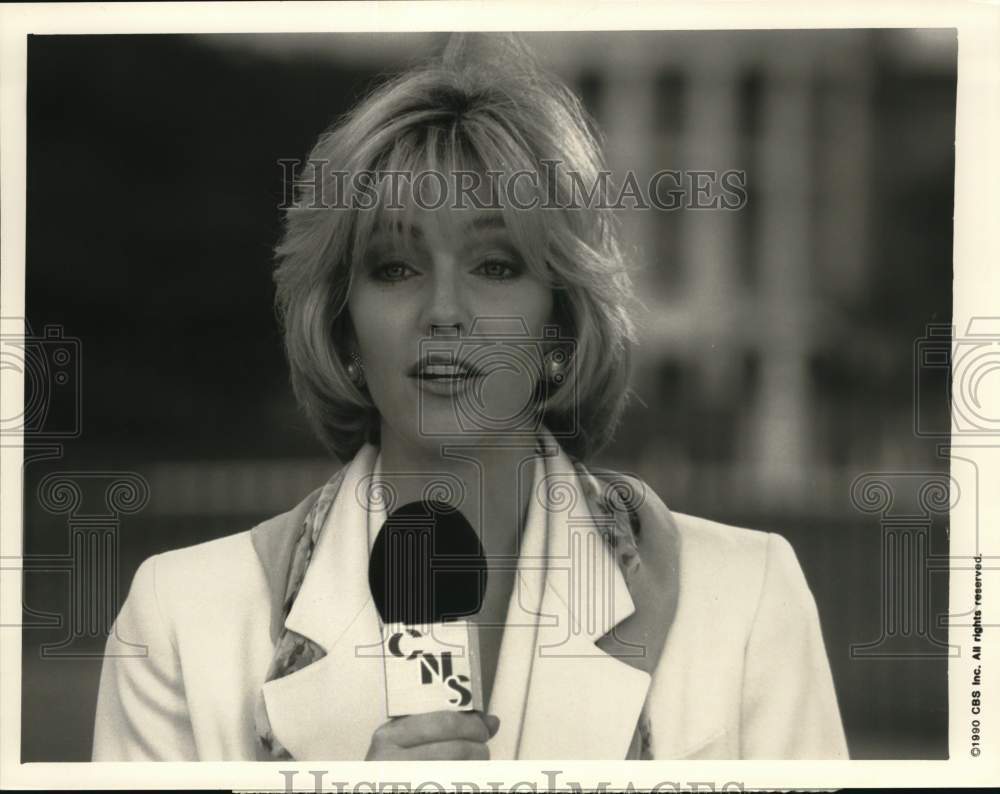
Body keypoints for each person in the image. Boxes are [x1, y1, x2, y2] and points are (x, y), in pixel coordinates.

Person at [92, 33, 848, 762]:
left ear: (562, 319)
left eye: (494, 265)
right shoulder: (181, 619)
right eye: (393, 268)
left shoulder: (748, 597)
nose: (444, 311)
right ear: (343, 326)